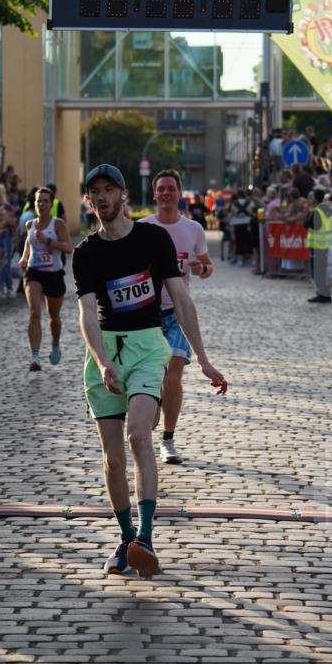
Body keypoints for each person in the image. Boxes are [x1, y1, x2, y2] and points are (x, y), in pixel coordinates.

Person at [72, 163, 227, 579]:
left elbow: (181, 299)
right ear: (89, 200)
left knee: (139, 434)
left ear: (124, 195)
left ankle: (146, 538)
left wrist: (204, 358)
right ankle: (125, 540)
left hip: (146, 347)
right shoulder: (85, 253)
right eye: (95, 192)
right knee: (112, 459)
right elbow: (87, 314)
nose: (102, 197)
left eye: (110, 189)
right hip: (105, 353)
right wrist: (102, 361)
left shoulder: (153, 239)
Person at [140, 169, 213, 465]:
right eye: (161, 189)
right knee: (153, 377)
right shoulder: (142, 228)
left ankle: (168, 440)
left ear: (180, 194)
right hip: (145, 314)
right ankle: (152, 404)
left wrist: (201, 269)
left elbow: (207, 267)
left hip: (176, 314)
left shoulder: (193, 229)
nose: (166, 193)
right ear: (155, 194)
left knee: (173, 376)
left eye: (171, 188)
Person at [18, 186, 73, 371]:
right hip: (34, 272)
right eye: (38, 201)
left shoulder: (57, 224)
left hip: (54, 274)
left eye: (45, 201)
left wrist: (48, 241)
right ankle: (35, 356)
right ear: (34, 204)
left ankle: (55, 343)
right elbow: (28, 242)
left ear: (51, 204)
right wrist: (25, 257)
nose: (41, 204)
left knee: (54, 317)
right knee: (34, 311)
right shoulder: (30, 224)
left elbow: (67, 247)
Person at [304, 188, 332, 303]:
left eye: (312, 197)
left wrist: (309, 212)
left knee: (317, 273)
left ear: (315, 199)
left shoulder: (317, 211)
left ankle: (322, 295)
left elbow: (306, 224)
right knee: (323, 271)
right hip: (325, 245)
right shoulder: (327, 210)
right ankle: (326, 295)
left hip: (317, 246)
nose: (310, 200)